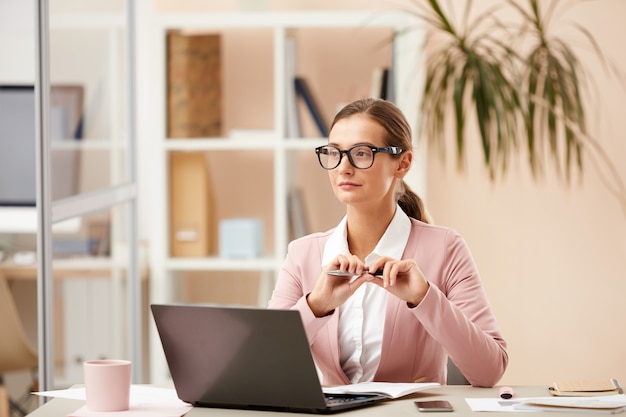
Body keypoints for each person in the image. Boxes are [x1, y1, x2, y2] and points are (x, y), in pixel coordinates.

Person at [268, 98, 508, 387]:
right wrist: (316, 305)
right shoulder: (303, 253)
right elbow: (262, 365)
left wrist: (423, 298)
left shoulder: (445, 248)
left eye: (361, 153)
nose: (343, 167)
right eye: (334, 153)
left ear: (402, 164)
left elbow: (490, 370)